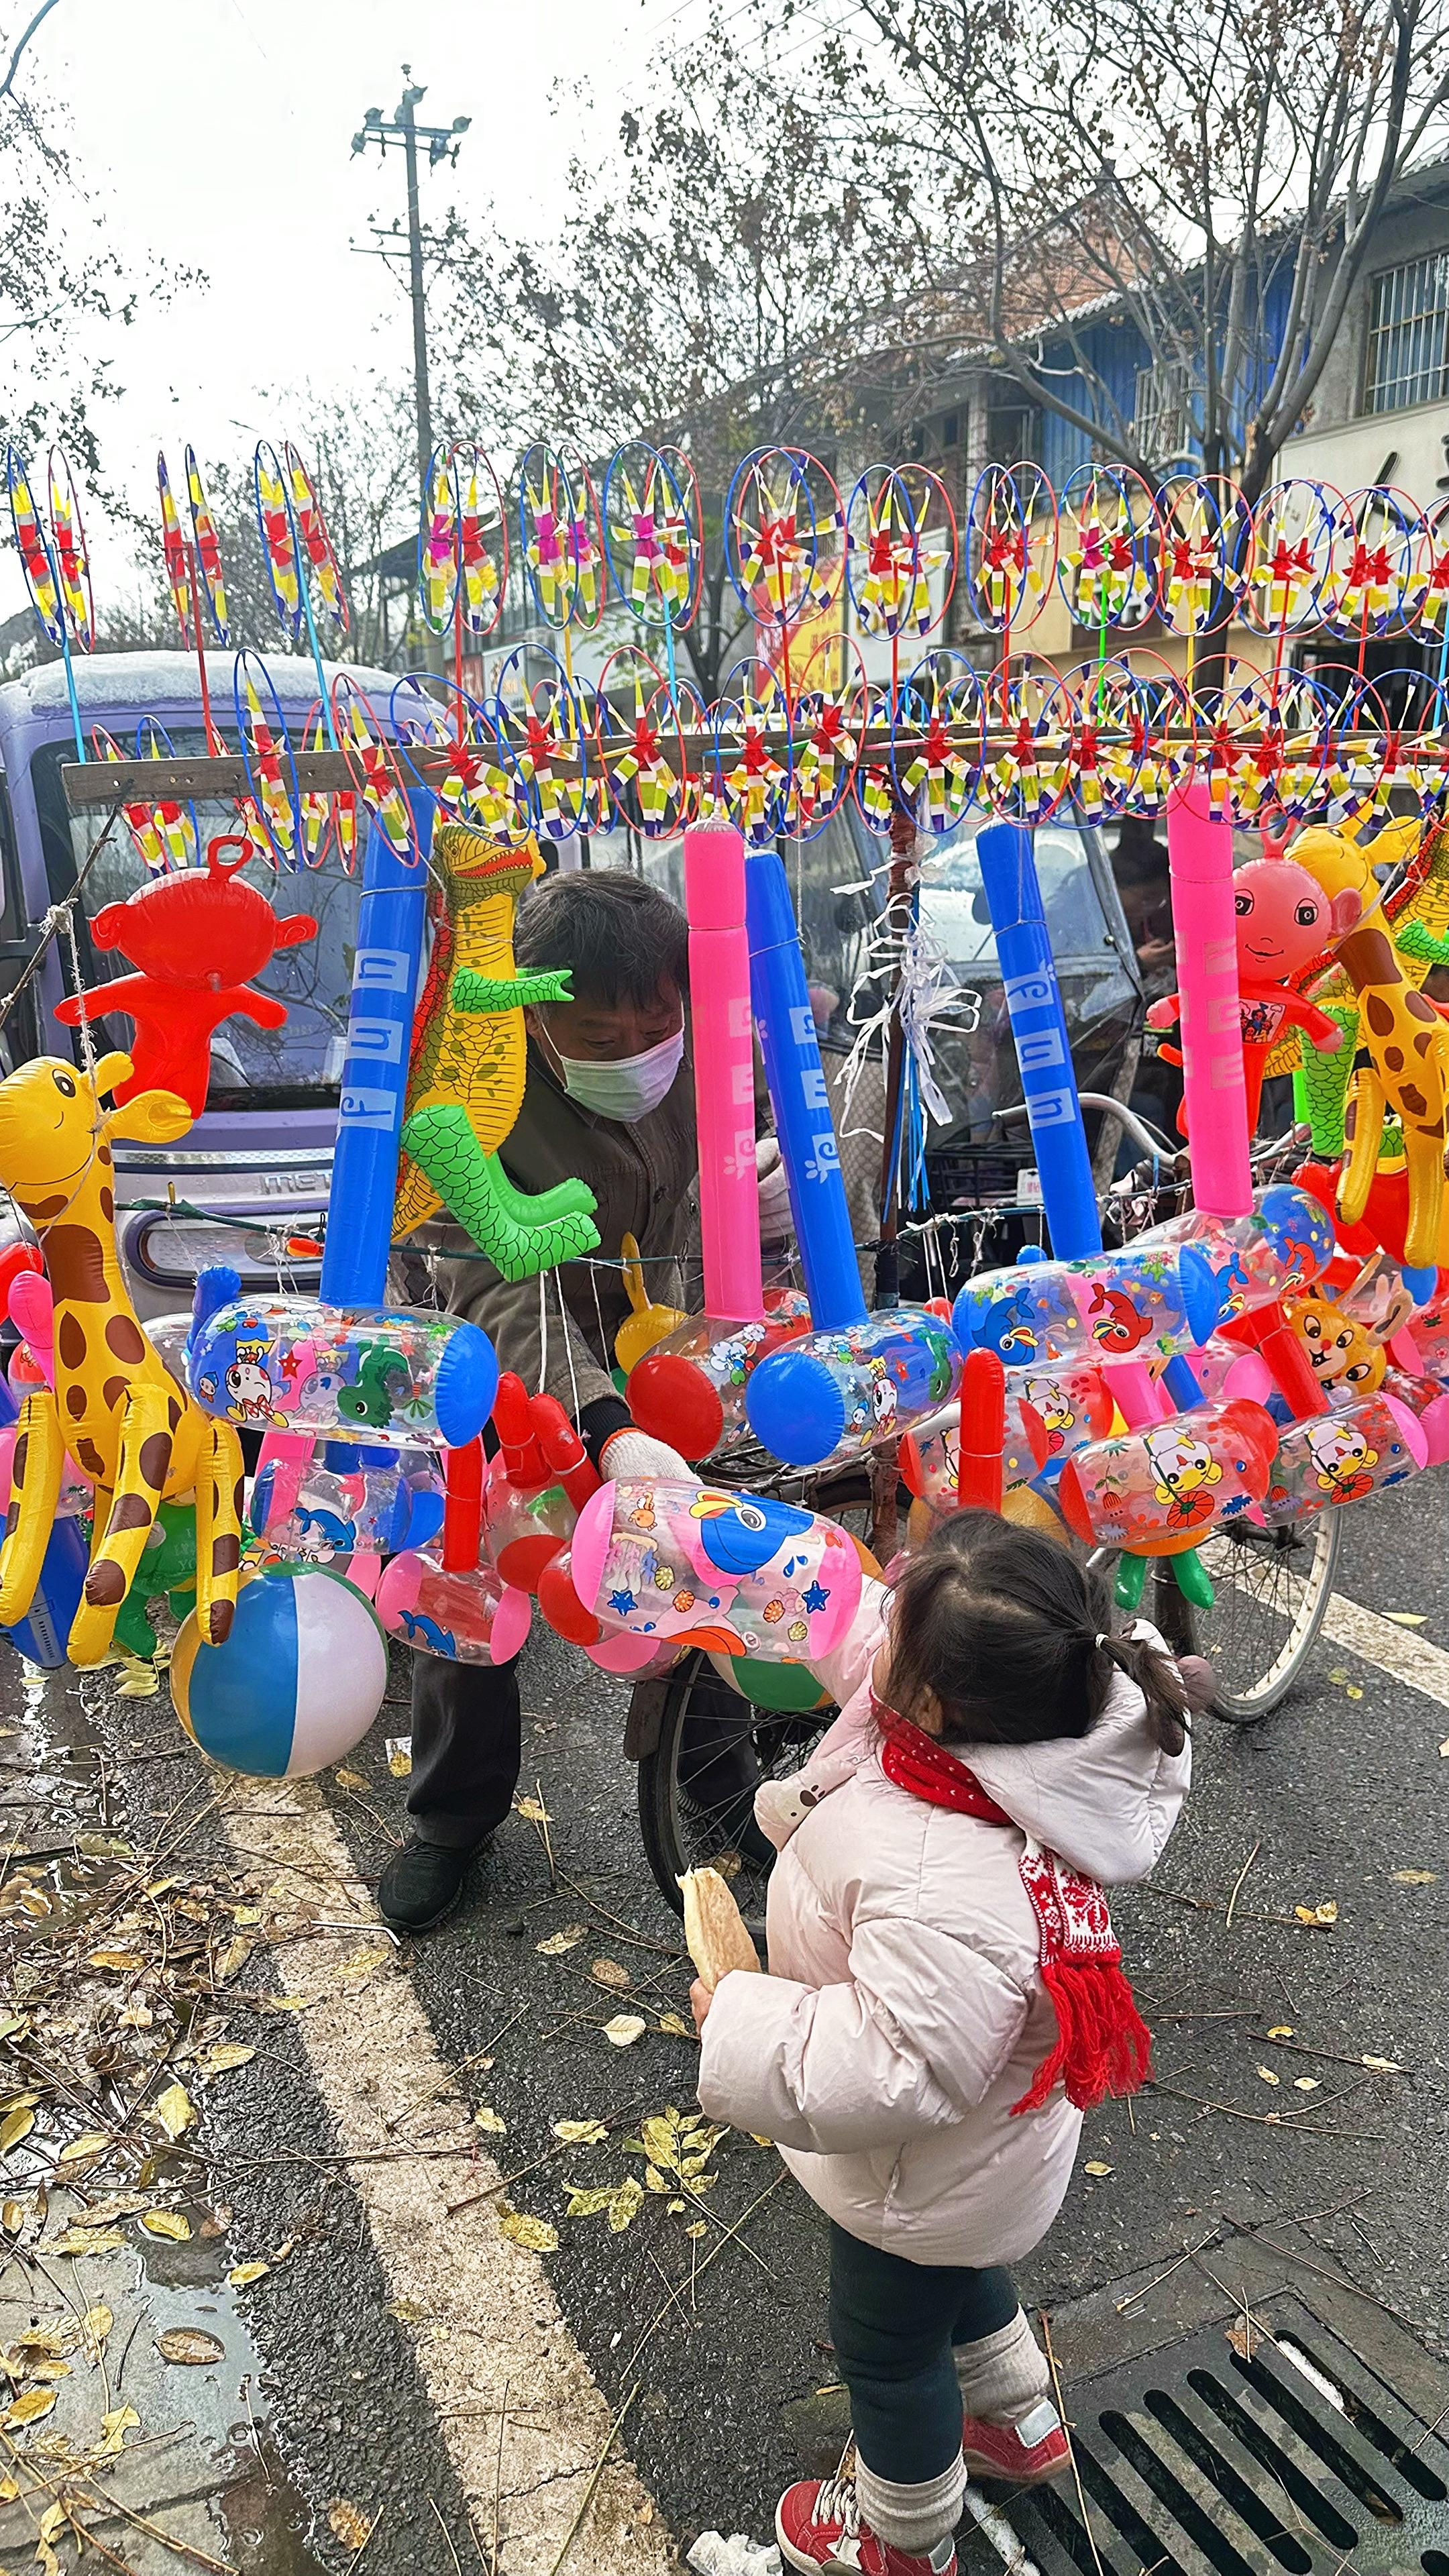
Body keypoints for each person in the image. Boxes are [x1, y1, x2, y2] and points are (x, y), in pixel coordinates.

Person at [693, 1512, 1200, 2576]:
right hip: (977, 2167)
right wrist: (709, 1534)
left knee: (886, 2351)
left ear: (926, 1702)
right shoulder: (1039, 1715)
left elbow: (897, 2068)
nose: (875, 1631)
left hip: (911, 2175)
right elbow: (859, 1632)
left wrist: (740, 2017)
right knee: (957, 2271)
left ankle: (904, 2537)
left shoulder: (944, 1884)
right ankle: (1017, 2422)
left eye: (897, 1627)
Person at [380, 865, 788, 1934]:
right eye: (602, 1038)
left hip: (661, 1352)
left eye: (657, 1027)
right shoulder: (472, 1096)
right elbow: (494, 1286)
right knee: (477, 1583)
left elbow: (718, 1196)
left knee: (709, 1559)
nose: (637, 1054)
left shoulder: (705, 1055)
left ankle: (720, 1785)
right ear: (535, 1014)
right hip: (503, 1367)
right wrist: (602, 1426)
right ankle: (451, 1820)